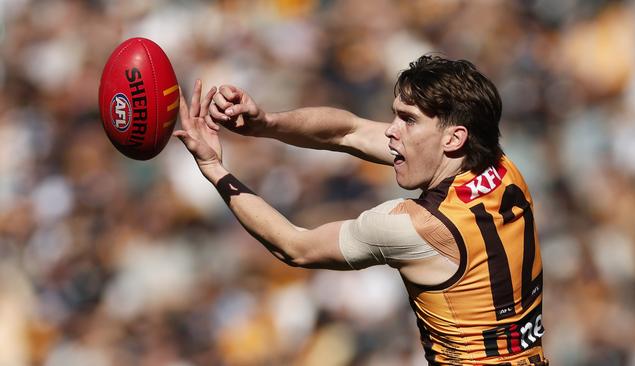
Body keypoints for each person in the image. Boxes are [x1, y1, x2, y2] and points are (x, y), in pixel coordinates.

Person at [173, 55, 548, 365]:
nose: (391, 131)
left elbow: (294, 245)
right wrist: (266, 123)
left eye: (409, 119)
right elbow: (347, 131)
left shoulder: (415, 228)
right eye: (395, 115)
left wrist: (215, 170)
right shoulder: (501, 168)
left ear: (454, 138)